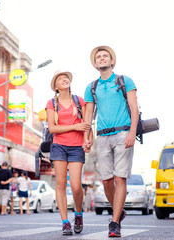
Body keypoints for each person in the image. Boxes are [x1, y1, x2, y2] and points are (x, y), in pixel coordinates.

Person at [83, 46, 139, 238]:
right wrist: (86, 139)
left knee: (119, 177)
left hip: (123, 134)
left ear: (112, 61)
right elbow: (88, 115)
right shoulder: (92, 87)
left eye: (105, 56)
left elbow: (134, 107)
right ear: (95, 63)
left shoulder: (124, 80)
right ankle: (119, 210)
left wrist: (132, 132)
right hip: (102, 136)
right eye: (98, 57)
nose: (102, 58)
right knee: (106, 181)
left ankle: (114, 222)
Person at [46, 70, 91, 235]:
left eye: (66, 78)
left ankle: (78, 214)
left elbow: (87, 123)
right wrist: (74, 126)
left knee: (76, 186)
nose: (64, 79)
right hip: (59, 146)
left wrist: (88, 140)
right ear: (56, 86)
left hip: (77, 147)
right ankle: (65, 222)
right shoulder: (52, 103)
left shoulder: (79, 101)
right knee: (60, 184)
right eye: (60, 78)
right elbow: (52, 128)